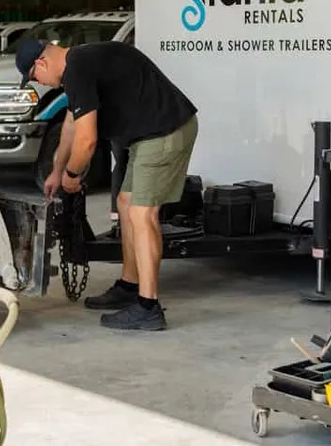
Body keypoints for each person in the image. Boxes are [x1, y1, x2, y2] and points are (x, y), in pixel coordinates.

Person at [17, 37, 198, 331]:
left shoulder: (78, 68)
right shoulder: (79, 64)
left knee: (143, 213)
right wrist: (57, 171)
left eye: (34, 77)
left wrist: (73, 176)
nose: (40, 83)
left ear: (42, 63)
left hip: (165, 131)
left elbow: (87, 142)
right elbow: (72, 124)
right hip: (147, 135)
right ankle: (129, 285)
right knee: (126, 204)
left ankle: (148, 307)